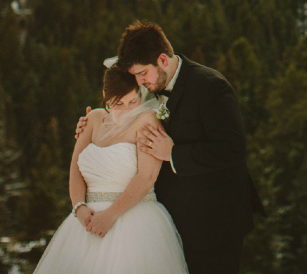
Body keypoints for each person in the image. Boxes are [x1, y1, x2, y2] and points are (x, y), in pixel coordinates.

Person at [76, 21, 265, 273]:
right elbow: (123, 111)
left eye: (143, 74)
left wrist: (173, 153)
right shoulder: (147, 86)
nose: (140, 82)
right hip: (168, 221)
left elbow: (232, 149)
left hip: (214, 221)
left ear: (163, 60)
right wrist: (94, 126)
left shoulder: (211, 87)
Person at [36, 65, 187, 273]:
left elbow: (147, 175)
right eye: (118, 104)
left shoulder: (147, 120)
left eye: (133, 102)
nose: (126, 110)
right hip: (86, 222)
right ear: (105, 96)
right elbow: (75, 167)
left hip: (134, 221)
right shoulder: (93, 120)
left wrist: (110, 216)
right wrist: (78, 207)